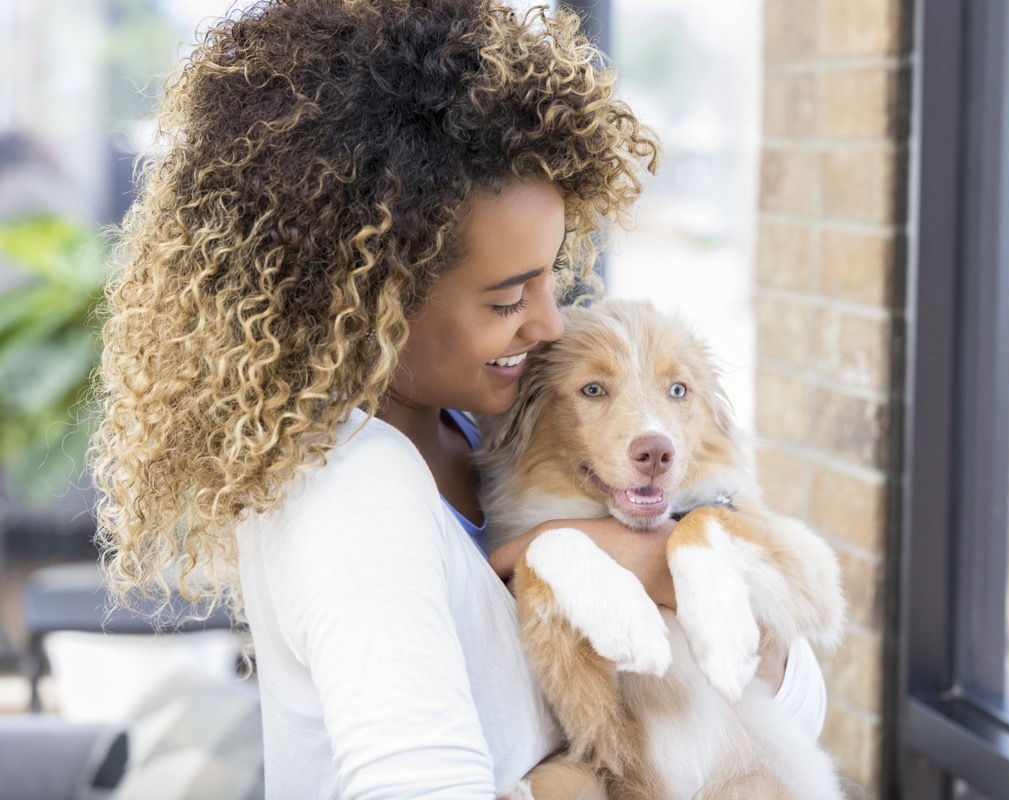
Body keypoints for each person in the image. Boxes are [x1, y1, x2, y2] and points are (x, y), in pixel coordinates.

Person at [91, 1, 830, 797]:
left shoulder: (490, 425)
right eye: (509, 299)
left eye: (554, 275)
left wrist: (647, 570)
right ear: (376, 297)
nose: (549, 322)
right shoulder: (356, 490)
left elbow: (783, 706)